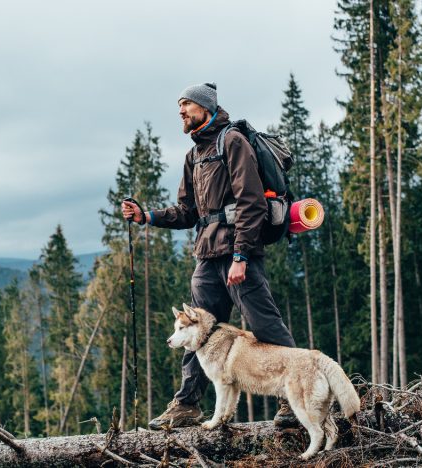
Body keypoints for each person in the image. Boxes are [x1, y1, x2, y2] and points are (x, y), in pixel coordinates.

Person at [121, 82, 297, 430]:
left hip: (237, 253)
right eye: (179, 106)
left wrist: (242, 255)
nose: (181, 111)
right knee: (195, 334)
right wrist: (148, 216)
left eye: (186, 104)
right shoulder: (194, 155)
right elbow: (188, 211)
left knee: (264, 324)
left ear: (205, 106)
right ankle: (187, 405)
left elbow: (252, 202)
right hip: (206, 256)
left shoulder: (232, 141)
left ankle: (291, 398)